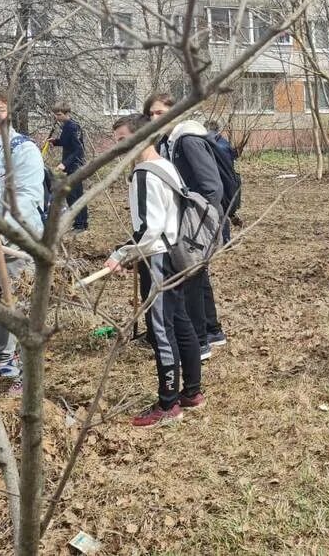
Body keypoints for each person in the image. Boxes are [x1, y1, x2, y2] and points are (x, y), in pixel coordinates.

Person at [104, 113, 203, 427]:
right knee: (180, 322)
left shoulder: (145, 174)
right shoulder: (166, 166)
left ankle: (168, 403)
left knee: (161, 329)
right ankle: (192, 392)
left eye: (123, 139)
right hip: (173, 255)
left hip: (159, 258)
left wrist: (122, 253)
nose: (119, 146)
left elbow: (151, 230)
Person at [143, 93, 226, 359]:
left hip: (197, 221)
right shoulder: (169, 140)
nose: (156, 119)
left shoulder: (187, 140)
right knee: (199, 275)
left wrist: (197, 218)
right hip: (190, 218)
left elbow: (213, 187)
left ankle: (199, 342)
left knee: (190, 277)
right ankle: (213, 331)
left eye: (160, 113)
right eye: (151, 115)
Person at [0, 87, 45, 395]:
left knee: (19, 310)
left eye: (1, 110)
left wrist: (1, 232)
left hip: (12, 245)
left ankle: (26, 374)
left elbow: (28, 199)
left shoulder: (20, 149)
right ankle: (1, 358)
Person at [49, 101, 88, 233]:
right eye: (55, 114)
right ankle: (79, 223)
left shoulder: (73, 127)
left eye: (59, 114)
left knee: (75, 194)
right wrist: (55, 141)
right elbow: (66, 143)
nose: (57, 117)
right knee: (71, 195)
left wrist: (64, 164)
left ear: (67, 113)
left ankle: (81, 225)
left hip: (75, 165)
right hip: (69, 165)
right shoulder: (66, 126)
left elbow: (78, 149)